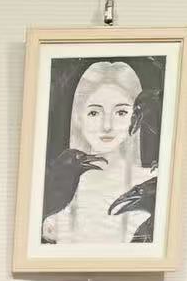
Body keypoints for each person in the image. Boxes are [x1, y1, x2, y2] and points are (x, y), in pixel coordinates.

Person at [41, 59, 156, 247]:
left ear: (137, 116)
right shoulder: (52, 193)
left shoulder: (151, 184)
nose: (107, 126)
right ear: (78, 117)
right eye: (94, 113)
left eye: (121, 112)